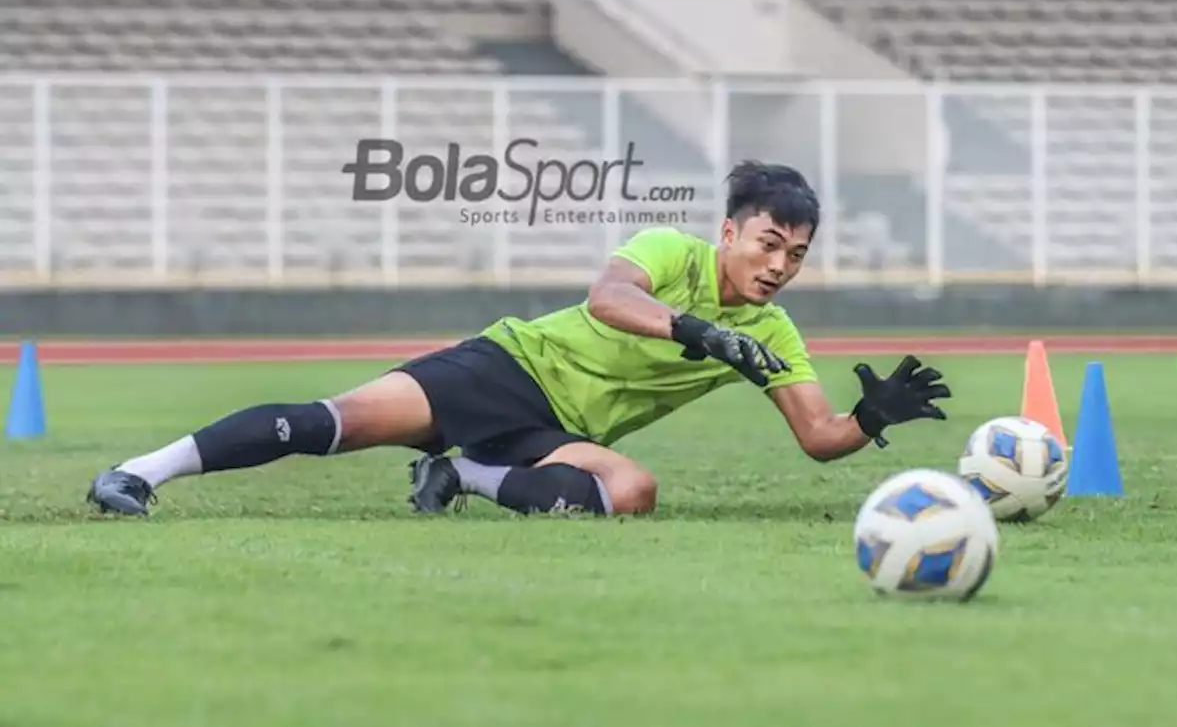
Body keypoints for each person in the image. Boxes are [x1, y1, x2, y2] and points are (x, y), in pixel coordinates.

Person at [87, 160, 951, 518]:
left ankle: (459, 474)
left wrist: (871, 418)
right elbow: (608, 298)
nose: (780, 266)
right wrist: (696, 333)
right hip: (507, 368)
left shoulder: (772, 330)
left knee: (632, 493)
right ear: (729, 233)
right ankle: (138, 474)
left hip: (555, 431)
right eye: (769, 244)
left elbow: (817, 438)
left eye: (797, 255)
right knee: (331, 424)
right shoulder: (669, 253)